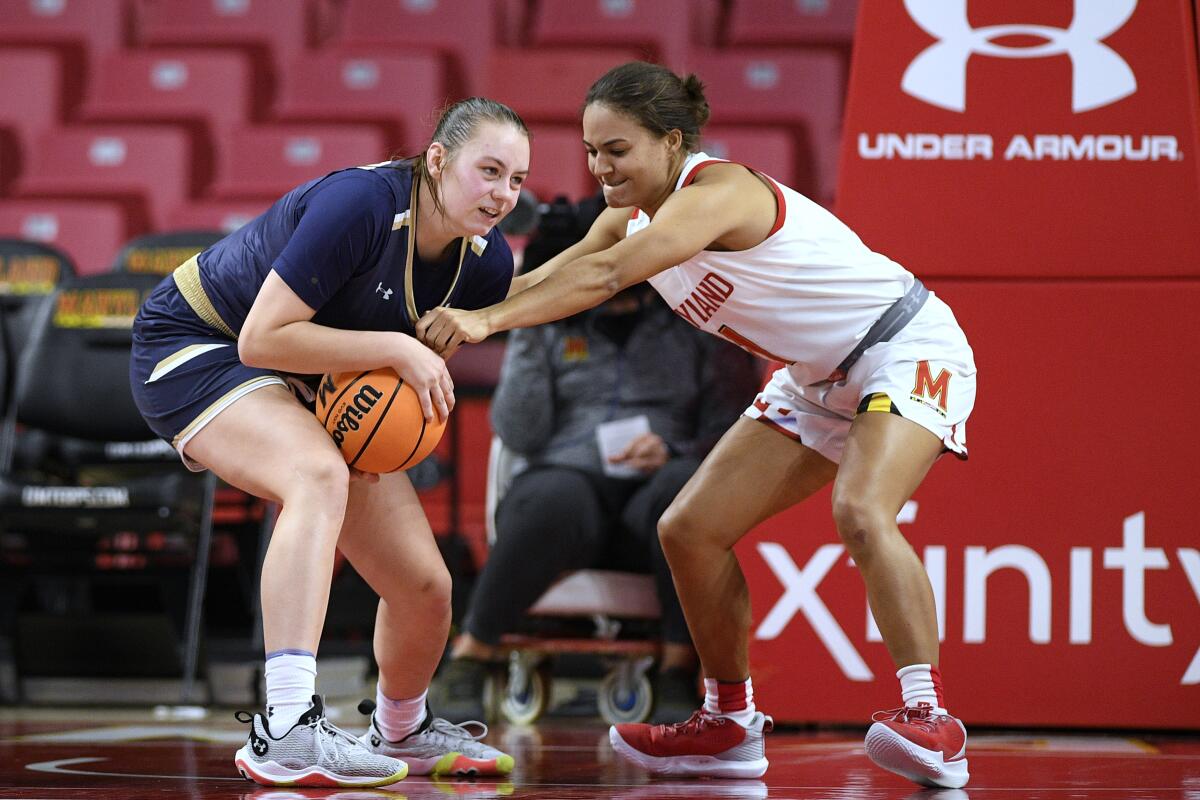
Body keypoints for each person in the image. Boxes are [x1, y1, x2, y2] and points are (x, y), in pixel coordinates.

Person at [416, 62, 978, 790]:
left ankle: (931, 717)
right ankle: (729, 721)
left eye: (616, 149)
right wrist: (455, 313)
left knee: (863, 511)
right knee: (688, 529)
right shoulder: (630, 215)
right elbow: (553, 278)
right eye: (590, 150)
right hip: (817, 376)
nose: (599, 166)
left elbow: (604, 278)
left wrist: (484, 322)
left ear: (670, 141)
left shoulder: (718, 193)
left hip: (903, 345)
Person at [129, 97, 528, 788]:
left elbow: (382, 391)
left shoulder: (486, 266)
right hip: (198, 344)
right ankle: (285, 728)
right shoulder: (361, 203)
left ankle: (401, 729)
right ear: (438, 159)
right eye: (488, 171)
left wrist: (390, 391)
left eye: (517, 181)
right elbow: (261, 338)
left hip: (304, 377)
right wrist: (398, 350)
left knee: (425, 586)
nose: (502, 195)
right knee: (316, 475)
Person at [431, 233, 760, 724]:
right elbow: (519, 431)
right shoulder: (552, 325)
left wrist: (675, 449)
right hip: (570, 483)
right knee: (554, 496)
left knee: (682, 489)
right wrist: (529, 323)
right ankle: (471, 655)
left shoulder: (693, 322)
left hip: (655, 490)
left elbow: (735, 421)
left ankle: (677, 669)